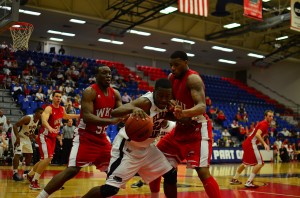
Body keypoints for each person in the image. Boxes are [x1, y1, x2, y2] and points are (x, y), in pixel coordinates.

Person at [82, 78, 177, 198]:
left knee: (171, 175)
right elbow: (115, 112)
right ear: (154, 92)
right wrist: (133, 108)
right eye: (160, 95)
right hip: (128, 149)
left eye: (167, 96)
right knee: (109, 190)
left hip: (147, 149)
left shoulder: (168, 104)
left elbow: (174, 118)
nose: (164, 99)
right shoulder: (145, 102)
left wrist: (177, 112)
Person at [37, 66, 123, 198]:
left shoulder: (115, 93)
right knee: (71, 170)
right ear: (97, 76)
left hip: (102, 138)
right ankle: (41, 196)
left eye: (109, 73)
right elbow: (87, 117)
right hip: (85, 136)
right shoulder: (90, 92)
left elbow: (121, 112)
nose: (108, 76)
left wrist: (133, 111)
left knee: (114, 174)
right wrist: (111, 121)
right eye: (104, 73)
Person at [149, 51, 221, 198]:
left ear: (186, 62)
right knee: (155, 161)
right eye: (171, 65)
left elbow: (201, 107)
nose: (172, 68)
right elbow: (173, 103)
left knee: (202, 171)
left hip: (198, 128)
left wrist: (183, 113)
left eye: (176, 64)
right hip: (180, 129)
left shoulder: (193, 79)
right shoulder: (171, 78)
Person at [24, 90, 79, 190]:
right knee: (47, 159)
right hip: (45, 136)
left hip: (52, 138)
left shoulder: (62, 108)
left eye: (60, 97)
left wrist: (78, 115)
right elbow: (44, 120)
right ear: (52, 97)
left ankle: (30, 174)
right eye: (56, 96)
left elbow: (66, 116)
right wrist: (49, 128)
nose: (58, 98)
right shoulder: (49, 108)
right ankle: (34, 181)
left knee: (43, 160)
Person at [230, 110, 274, 188]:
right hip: (251, 144)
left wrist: (264, 139)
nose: (271, 118)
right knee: (260, 163)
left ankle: (234, 179)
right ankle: (249, 182)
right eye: (269, 116)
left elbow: (259, 134)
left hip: (247, 143)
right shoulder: (264, 124)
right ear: (265, 116)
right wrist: (264, 144)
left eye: (272, 116)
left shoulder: (263, 123)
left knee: (245, 164)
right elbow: (257, 135)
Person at [11, 108, 44, 181]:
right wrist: (17, 137)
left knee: (29, 154)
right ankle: (15, 173)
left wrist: (35, 138)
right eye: (40, 113)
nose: (42, 115)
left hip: (25, 136)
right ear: (36, 113)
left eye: (42, 113)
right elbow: (15, 126)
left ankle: (26, 171)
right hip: (17, 135)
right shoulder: (28, 118)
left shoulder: (38, 121)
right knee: (18, 152)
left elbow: (30, 131)